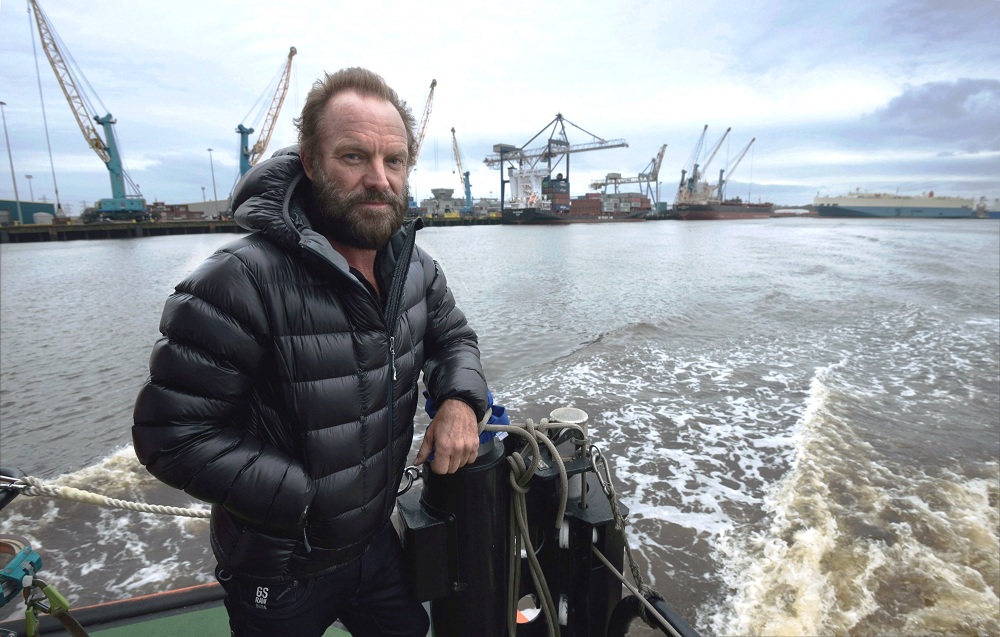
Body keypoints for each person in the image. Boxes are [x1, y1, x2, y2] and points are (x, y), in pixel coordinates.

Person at [132, 67, 489, 637]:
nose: (379, 179)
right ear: (310, 161)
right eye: (354, 157)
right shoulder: (236, 281)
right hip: (278, 567)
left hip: (375, 542)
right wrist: (305, 498)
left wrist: (459, 401)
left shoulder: (415, 269)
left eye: (393, 161)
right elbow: (171, 436)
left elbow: (454, 339)